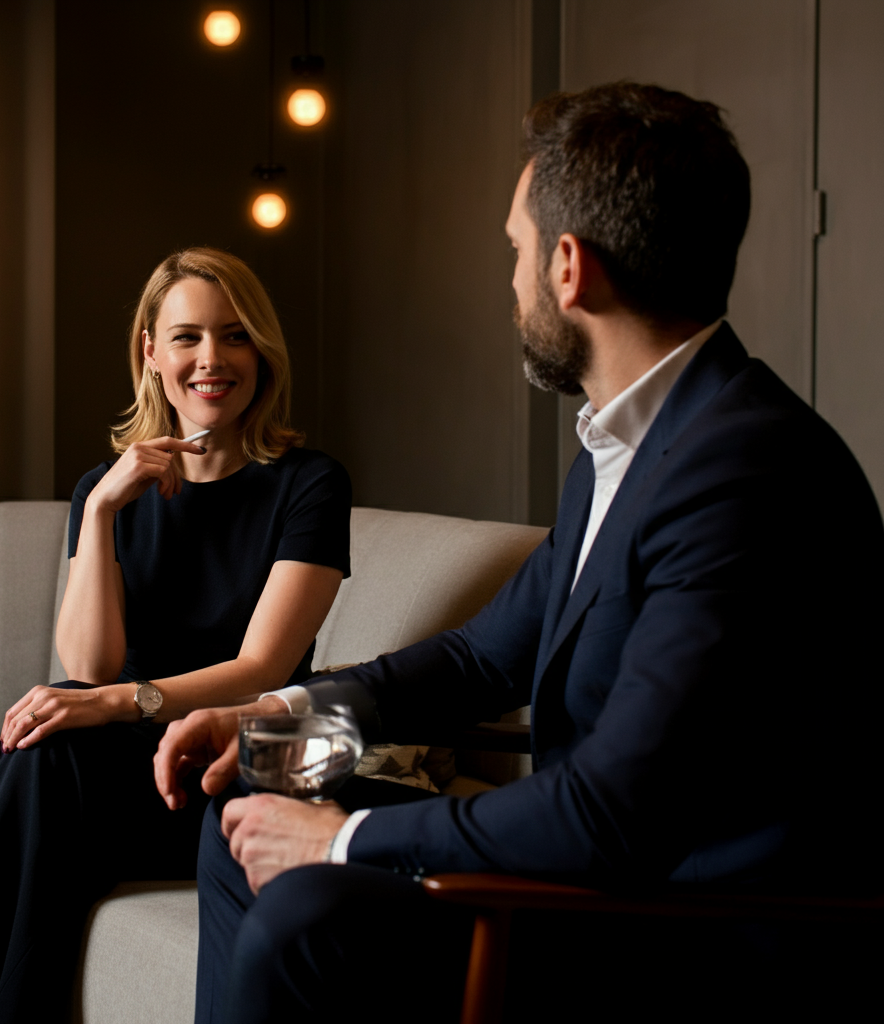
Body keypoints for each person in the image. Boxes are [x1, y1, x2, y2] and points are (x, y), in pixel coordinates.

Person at [153, 84, 884, 1022]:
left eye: (516, 252)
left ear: (570, 269)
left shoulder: (745, 470)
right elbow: (481, 657)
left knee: (309, 910)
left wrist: (339, 840)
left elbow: (608, 814)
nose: (510, 281)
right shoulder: (628, 449)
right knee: (240, 818)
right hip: (615, 886)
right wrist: (280, 712)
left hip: (699, 934)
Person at [0, 248, 352, 1024]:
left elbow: (261, 666)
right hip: (105, 767)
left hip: (216, 764)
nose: (212, 359)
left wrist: (115, 705)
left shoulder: (309, 482)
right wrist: (104, 509)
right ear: (150, 351)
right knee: (16, 781)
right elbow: (91, 660)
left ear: (262, 352)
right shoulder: (104, 491)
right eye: (187, 337)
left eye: (235, 336)